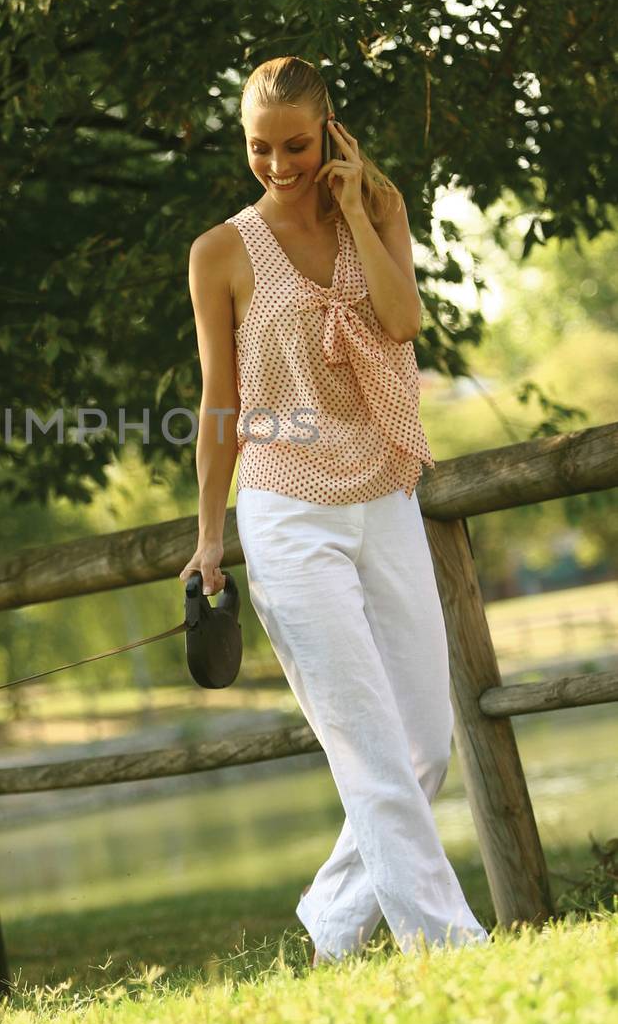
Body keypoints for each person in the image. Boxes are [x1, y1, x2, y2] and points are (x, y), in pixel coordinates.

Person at [179, 55, 491, 967]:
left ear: (331, 134)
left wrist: (357, 208)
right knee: (366, 749)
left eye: (297, 145)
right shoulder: (220, 252)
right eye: (259, 148)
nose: (279, 164)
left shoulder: (379, 209)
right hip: (286, 513)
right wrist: (208, 534)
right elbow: (218, 403)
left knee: (423, 742)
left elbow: (401, 323)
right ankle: (449, 943)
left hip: (384, 492)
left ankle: (329, 925)